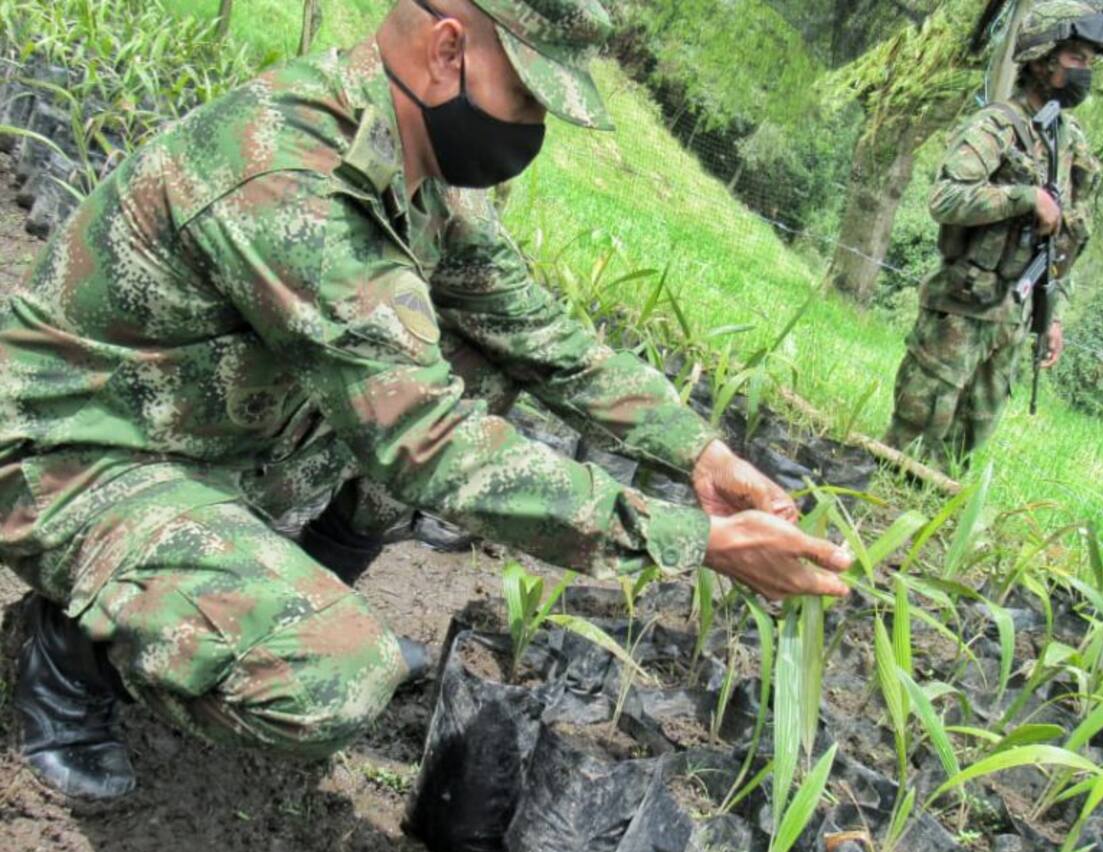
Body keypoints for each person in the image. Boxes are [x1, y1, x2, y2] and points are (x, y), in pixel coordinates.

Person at [0, 0, 852, 801]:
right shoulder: (290, 179)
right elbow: (424, 440)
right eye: (523, 94)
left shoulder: (418, 166)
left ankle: (289, 588)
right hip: (83, 454)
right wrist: (689, 540)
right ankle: (73, 653)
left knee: (476, 354)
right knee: (331, 681)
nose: (530, 128)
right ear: (448, 51)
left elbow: (540, 334)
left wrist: (701, 454)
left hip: (211, 431)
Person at [885, 0, 1103, 465]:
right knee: (913, 441)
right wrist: (1024, 198)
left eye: (1089, 63)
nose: (1084, 72)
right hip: (961, 312)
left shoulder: (1069, 141)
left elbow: (1066, 237)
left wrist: (1051, 315)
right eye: (1076, 59)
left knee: (963, 450)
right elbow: (946, 198)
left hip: (1014, 315)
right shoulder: (997, 126)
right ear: (1042, 57)